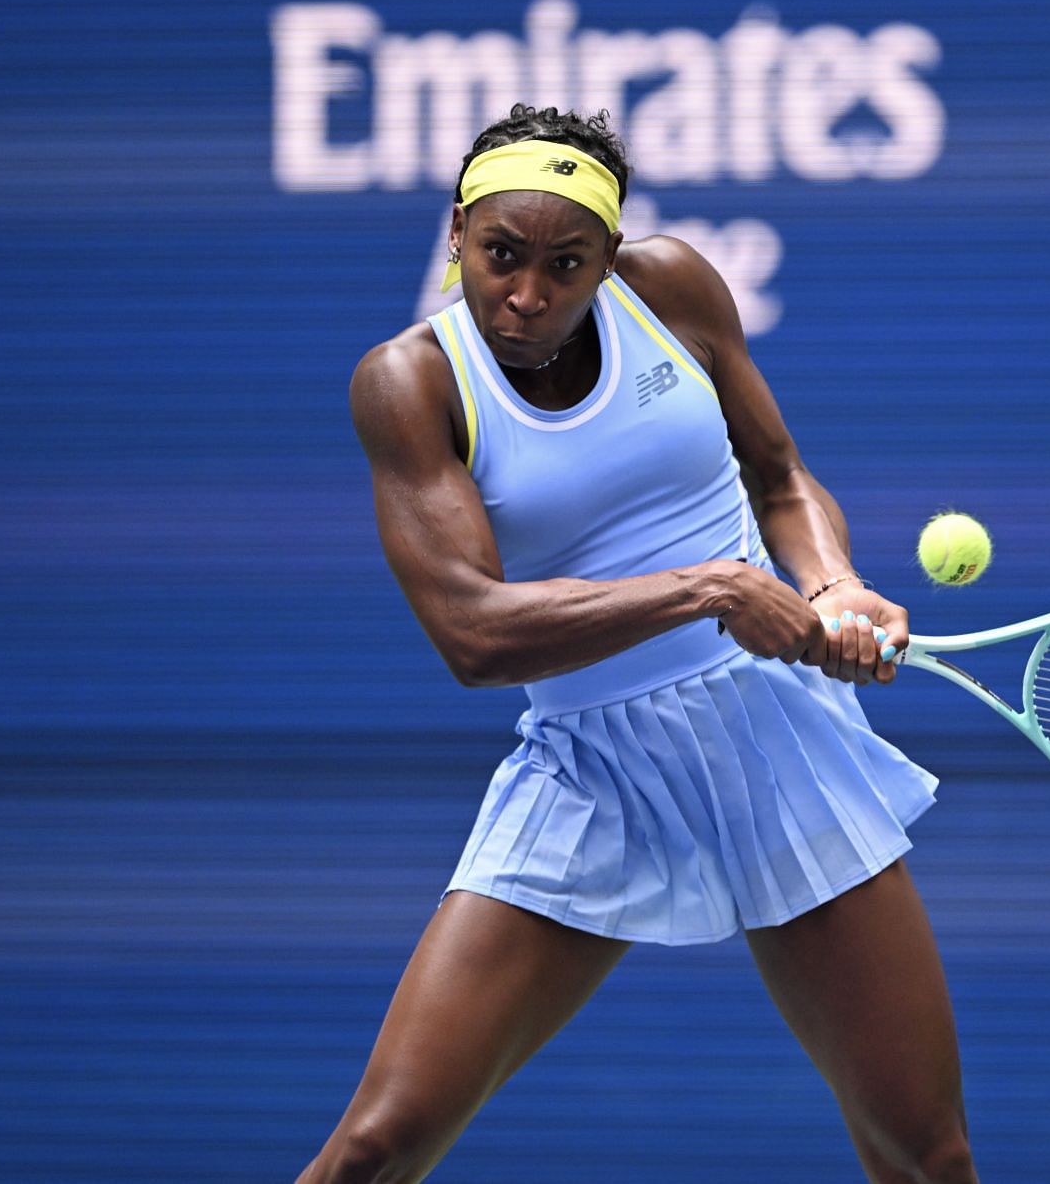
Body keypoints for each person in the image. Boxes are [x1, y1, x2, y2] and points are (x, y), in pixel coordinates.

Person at [297, 104, 978, 1184]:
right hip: (591, 769)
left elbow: (779, 475)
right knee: (376, 1149)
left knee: (923, 1153)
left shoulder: (674, 290)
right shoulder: (410, 382)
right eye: (500, 255)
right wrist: (708, 586)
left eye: (566, 264)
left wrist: (834, 583)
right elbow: (472, 634)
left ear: (610, 257)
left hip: (777, 741)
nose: (526, 294)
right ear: (457, 233)